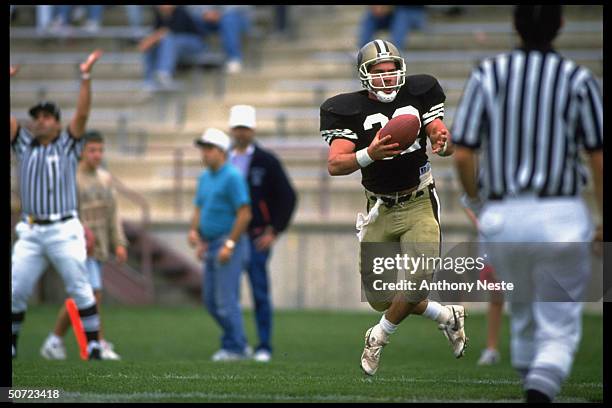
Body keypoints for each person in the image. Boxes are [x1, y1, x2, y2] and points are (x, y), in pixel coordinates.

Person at [452, 5, 602, 402]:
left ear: (514, 25)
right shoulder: (579, 80)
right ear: (562, 26)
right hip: (561, 214)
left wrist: (478, 201)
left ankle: (531, 386)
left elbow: (463, 151)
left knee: (522, 320)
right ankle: (539, 393)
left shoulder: (489, 74)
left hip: (504, 215)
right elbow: (599, 155)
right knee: (557, 329)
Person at [320, 39, 467, 376]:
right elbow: (335, 164)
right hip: (379, 209)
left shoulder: (420, 91)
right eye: (378, 71)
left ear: (401, 71)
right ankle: (447, 316)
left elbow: (438, 133)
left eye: (391, 71)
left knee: (417, 282)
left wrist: (443, 141)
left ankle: (378, 337)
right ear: (364, 75)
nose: (386, 78)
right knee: (381, 298)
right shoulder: (345, 109)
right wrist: (370, 154)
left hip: (418, 200)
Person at [10, 50, 104, 360]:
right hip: (32, 229)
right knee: (15, 291)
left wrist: (86, 77)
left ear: (57, 123)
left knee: (80, 287)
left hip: (64, 226)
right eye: (36, 117)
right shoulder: (23, 144)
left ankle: (92, 344)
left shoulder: (67, 144)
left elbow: (83, 115)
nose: (40, 121)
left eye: (46, 117)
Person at [40, 130, 128, 361]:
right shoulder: (72, 179)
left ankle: (55, 339)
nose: (97, 155)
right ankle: (96, 343)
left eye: (100, 150)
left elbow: (113, 215)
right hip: (79, 248)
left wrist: (119, 243)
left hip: (99, 249)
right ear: (81, 151)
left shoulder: (106, 179)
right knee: (94, 294)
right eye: (92, 150)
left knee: (80, 296)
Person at [228, 105, 297, 363]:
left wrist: (275, 230)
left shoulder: (267, 161)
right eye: (237, 128)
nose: (241, 132)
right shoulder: (223, 158)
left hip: (256, 237)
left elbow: (288, 197)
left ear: (253, 130)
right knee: (228, 294)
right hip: (230, 237)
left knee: (259, 293)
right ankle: (234, 343)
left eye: (245, 128)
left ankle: (264, 345)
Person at [188, 128, 253, 361]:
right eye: (202, 149)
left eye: (208, 149)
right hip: (211, 244)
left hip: (228, 244)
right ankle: (236, 343)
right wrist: (195, 232)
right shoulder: (204, 177)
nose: (203, 154)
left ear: (221, 151)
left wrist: (230, 244)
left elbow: (244, 214)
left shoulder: (232, 177)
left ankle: (235, 347)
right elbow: (199, 207)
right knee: (211, 302)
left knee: (226, 301)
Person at [463, 206, 503, 366]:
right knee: (496, 295)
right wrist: (481, 223)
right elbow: (467, 201)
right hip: (491, 243)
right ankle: (492, 349)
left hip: (520, 236)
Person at [138, 5, 207, 91]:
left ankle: (164, 73)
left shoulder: (181, 12)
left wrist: (150, 40)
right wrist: (149, 41)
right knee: (152, 45)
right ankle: (149, 80)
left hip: (195, 43)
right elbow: (157, 33)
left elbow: (168, 32)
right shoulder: (159, 15)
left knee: (167, 39)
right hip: (174, 46)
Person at [188, 6, 252, 74]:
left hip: (236, 16)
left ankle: (234, 59)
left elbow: (241, 8)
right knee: (194, 18)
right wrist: (204, 13)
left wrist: (219, 14)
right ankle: (202, 57)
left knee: (229, 20)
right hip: (207, 17)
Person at [357, 6, 426, 54]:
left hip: (413, 12)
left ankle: (396, 52)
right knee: (370, 16)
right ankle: (363, 52)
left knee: (401, 15)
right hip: (391, 14)